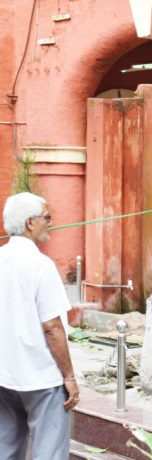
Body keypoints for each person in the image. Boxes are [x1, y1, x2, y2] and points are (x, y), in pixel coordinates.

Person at [0, 192, 78, 459]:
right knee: (50, 453)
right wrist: (69, 376)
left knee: (5, 449)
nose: (51, 223)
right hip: (42, 377)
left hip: (4, 375)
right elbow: (53, 326)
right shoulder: (40, 265)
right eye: (47, 217)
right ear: (30, 223)